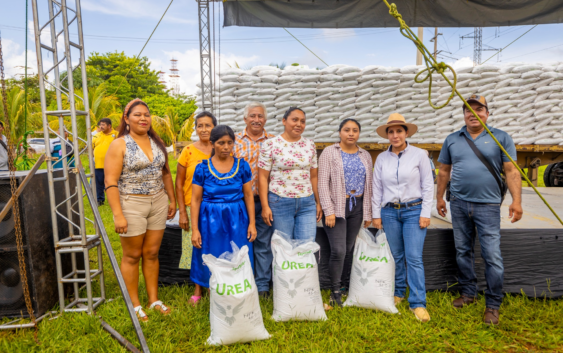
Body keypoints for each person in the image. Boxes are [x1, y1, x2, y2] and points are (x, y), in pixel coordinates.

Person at [436, 94, 523, 325]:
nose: (473, 114)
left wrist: (517, 201)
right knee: (463, 250)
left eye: (479, 109)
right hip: (459, 203)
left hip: (488, 206)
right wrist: (440, 199)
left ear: (487, 113)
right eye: (468, 110)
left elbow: (512, 172)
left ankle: (493, 305)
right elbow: (444, 171)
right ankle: (468, 293)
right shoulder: (453, 139)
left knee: (492, 255)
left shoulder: (500, 137)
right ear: (463, 114)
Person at [104, 98, 176, 322]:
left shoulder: (157, 142)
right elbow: (110, 181)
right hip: (131, 203)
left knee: (152, 253)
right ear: (126, 119)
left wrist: (171, 200)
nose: (143, 118)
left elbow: (165, 173)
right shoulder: (120, 144)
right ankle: (134, 303)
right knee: (133, 255)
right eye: (137, 114)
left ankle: (153, 300)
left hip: (158, 202)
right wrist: (118, 214)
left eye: (146, 114)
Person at [372, 113, 434, 323]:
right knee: (396, 256)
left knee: (414, 258)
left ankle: (417, 303)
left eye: (399, 131)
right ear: (387, 135)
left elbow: (427, 185)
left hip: (413, 211)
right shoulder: (381, 158)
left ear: (406, 133)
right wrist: (376, 214)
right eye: (391, 131)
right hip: (389, 212)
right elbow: (376, 188)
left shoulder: (419, 155)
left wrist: (426, 212)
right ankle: (398, 293)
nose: (395, 135)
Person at [190, 125, 257, 305]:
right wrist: (195, 229)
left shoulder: (242, 166)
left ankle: (237, 288)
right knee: (206, 250)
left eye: (229, 143)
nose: (226, 147)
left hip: (237, 217)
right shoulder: (202, 168)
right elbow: (195, 200)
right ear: (212, 144)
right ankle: (201, 288)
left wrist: (252, 223)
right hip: (209, 218)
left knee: (238, 251)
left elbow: (249, 195)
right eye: (221, 143)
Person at [318, 118, 373, 307]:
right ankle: (334, 292)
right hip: (337, 207)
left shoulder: (365, 155)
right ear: (340, 132)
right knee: (339, 250)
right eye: (347, 130)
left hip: (357, 205)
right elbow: (322, 183)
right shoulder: (330, 153)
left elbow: (369, 185)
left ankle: (343, 287)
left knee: (348, 250)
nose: (351, 133)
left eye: (355, 130)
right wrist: (329, 211)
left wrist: (367, 213)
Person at [258, 107, 322, 242]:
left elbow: (314, 176)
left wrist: (318, 202)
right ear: (284, 121)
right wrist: (265, 206)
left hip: (307, 203)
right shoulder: (270, 144)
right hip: (280, 201)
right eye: (295, 120)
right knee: (283, 247)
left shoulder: (310, 144)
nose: (299, 124)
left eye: (303, 121)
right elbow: (263, 177)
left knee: (306, 246)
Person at [233, 102, 275, 298]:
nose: (256, 120)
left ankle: (262, 286)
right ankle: (241, 282)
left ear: (265, 120)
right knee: (241, 241)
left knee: (263, 243)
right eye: (252, 116)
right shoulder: (233, 141)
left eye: (260, 116)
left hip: (266, 201)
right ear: (245, 119)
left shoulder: (274, 141)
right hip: (240, 202)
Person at [175, 111, 215, 304]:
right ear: (196, 129)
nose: (204, 129)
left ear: (214, 127)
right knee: (194, 248)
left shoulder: (222, 149)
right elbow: (179, 182)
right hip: (193, 208)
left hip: (216, 208)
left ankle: (214, 286)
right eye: (200, 125)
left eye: (208, 125)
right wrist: (182, 212)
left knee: (215, 247)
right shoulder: (188, 151)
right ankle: (198, 289)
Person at [93, 118, 117, 206]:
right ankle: (100, 200)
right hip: (98, 164)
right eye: (100, 125)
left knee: (112, 183)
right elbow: (91, 147)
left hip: (112, 165)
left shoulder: (116, 135)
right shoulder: (96, 135)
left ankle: (115, 200)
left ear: (109, 126)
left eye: (103, 125)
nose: (101, 126)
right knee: (99, 183)